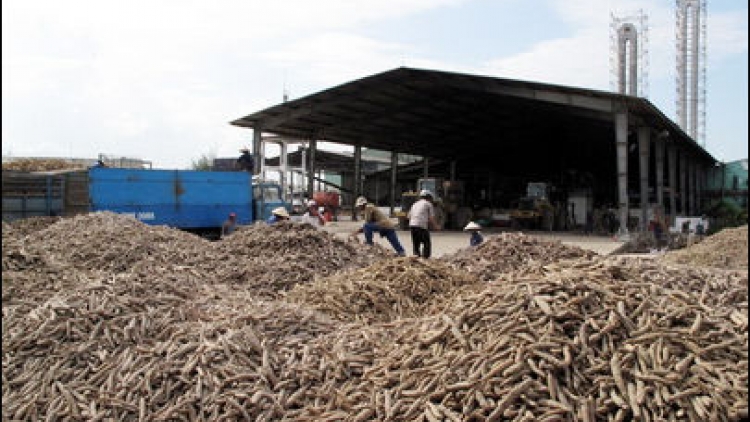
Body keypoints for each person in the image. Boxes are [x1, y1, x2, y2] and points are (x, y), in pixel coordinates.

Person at [407, 189, 438, 258]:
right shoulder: (428, 204)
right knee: (427, 243)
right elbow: (431, 218)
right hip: (421, 226)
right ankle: (425, 258)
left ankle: (416, 258)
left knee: (416, 244)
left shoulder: (415, 204)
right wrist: (436, 226)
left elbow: (408, 216)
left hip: (412, 225)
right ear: (429, 197)